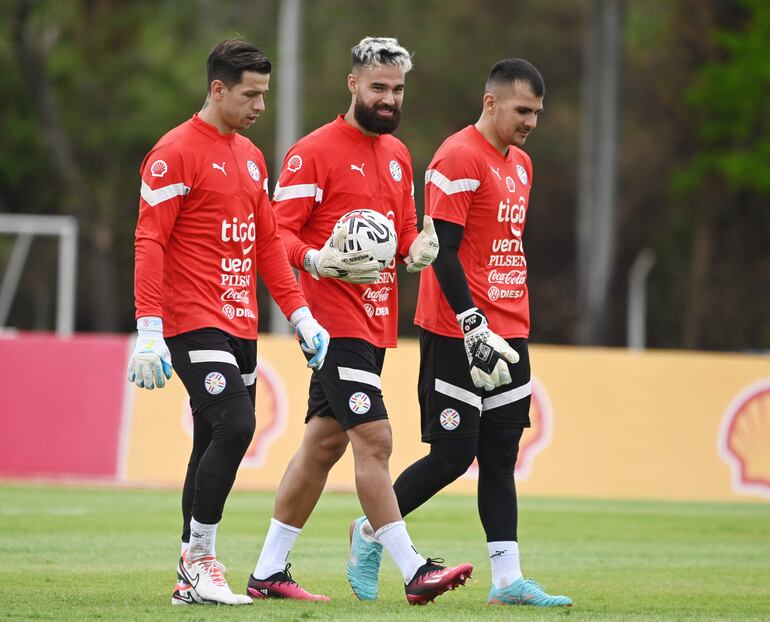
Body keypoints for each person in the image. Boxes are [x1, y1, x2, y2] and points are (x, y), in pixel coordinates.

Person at [244, 36, 472, 606]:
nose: (389, 99)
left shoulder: (397, 155)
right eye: (379, 87)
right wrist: (316, 260)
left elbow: (400, 234)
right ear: (353, 84)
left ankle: (267, 572)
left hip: (376, 324)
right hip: (329, 322)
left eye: (397, 89)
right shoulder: (313, 151)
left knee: (323, 446)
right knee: (375, 438)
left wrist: (415, 250)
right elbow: (275, 234)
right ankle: (414, 569)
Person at [347, 58, 573, 607]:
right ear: (491, 101)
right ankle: (370, 530)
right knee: (453, 454)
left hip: (511, 330)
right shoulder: (457, 156)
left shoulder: (522, 164)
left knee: (500, 455)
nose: (531, 123)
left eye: (538, 113)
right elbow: (442, 251)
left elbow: (503, 246)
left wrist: (504, 321)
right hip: (455, 328)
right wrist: (471, 320)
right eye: (523, 110)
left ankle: (507, 581)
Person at [127, 39, 329, 607]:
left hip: (238, 321)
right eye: (251, 94)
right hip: (191, 320)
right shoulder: (173, 152)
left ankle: (188, 576)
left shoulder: (250, 156)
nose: (260, 105)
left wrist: (301, 314)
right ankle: (201, 561)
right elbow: (149, 240)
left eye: (265, 94)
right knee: (236, 427)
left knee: (215, 438)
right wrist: (148, 327)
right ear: (218, 89)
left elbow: (267, 243)